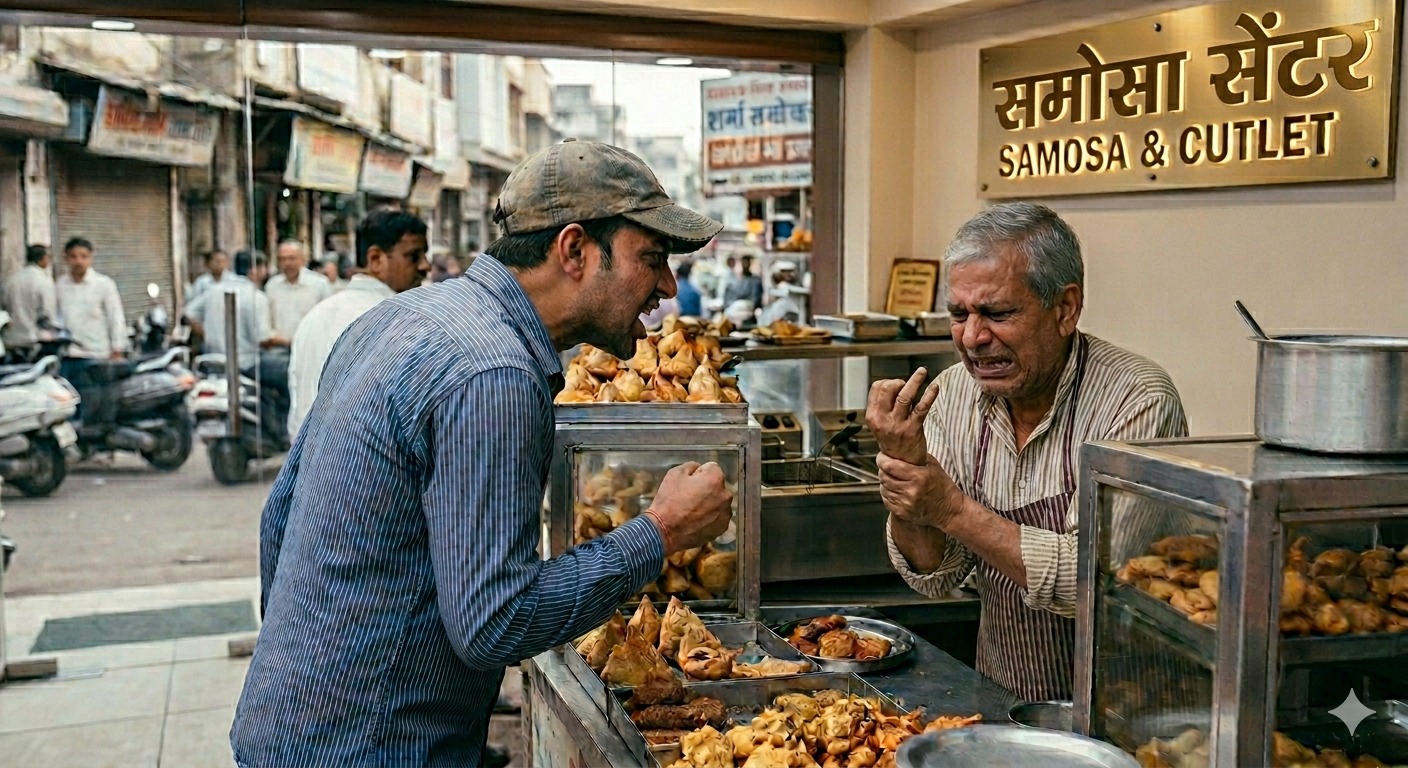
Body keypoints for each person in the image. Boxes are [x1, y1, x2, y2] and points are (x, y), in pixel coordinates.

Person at [231, 139, 734, 766]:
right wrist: (661, 531)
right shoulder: (495, 374)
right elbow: (495, 622)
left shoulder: (399, 317)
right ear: (574, 250)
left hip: (286, 727)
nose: (666, 285)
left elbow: (279, 519)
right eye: (651, 258)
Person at [868, 202, 1187, 702]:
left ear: (1065, 309)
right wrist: (905, 467)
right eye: (959, 314)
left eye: (997, 314)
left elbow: (1091, 582)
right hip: (1007, 697)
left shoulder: (1137, 399)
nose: (972, 338)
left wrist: (951, 508)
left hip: (1127, 707)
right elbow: (934, 575)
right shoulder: (954, 394)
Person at [287, 209, 429, 439]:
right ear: (376, 259)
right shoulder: (397, 321)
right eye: (414, 256)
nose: (425, 266)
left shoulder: (317, 315)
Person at [264, 239, 331, 339]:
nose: (287, 263)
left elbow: (328, 317)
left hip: (309, 344)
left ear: (303, 259)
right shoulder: (272, 285)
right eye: (282, 259)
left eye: (292, 258)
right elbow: (267, 318)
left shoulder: (319, 284)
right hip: (278, 346)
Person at [2, 244, 58, 359]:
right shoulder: (44, 280)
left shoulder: (10, 279)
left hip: (10, 340)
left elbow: (3, 309)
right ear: (43, 259)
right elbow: (48, 314)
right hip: (34, 341)